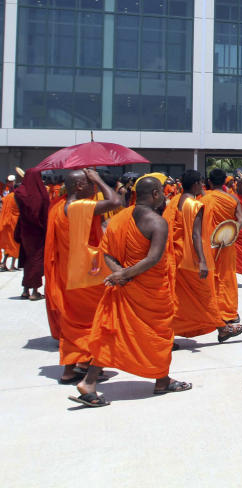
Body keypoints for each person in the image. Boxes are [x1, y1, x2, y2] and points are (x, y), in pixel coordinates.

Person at [69, 177, 191, 407]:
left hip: (125, 287)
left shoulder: (119, 218)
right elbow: (153, 258)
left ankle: (92, 382)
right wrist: (124, 275)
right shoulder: (157, 222)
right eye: (162, 193)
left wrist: (120, 274)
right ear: (155, 193)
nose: (165, 196)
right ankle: (160, 380)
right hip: (147, 289)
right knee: (159, 335)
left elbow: (106, 253)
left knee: (112, 333)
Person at [45, 169, 122, 385]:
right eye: (90, 184)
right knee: (94, 320)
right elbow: (115, 201)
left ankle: (75, 367)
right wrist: (99, 179)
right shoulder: (78, 207)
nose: (94, 188)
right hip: (84, 276)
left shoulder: (59, 206)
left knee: (73, 322)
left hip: (67, 272)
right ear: (79, 186)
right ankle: (80, 366)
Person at [171, 170, 242, 344]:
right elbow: (196, 234)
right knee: (207, 293)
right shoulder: (196, 204)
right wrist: (229, 234)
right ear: (198, 183)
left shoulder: (176, 201)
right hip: (200, 254)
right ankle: (223, 326)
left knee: (179, 297)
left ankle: (171, 332)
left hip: (179, 254)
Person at [203, 169, 242, 324]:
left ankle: (209, 311)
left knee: (208, 277)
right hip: (226, 242)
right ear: (224, 182)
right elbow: (241, 220)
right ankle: (228, 312)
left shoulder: (203, 198)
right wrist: (230, 233)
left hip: (207, 243)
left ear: (210, 182)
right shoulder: (232, 199)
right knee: (227, 276)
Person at [14, 169, 49, 306]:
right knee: (37, 260)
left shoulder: (19, 193)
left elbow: (21, 209)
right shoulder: (42, 193)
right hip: (39, 231)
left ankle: (25, 290)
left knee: (28, 258)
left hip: (25, 229)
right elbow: (45, 212)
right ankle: (35, 291)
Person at [0, 183, 20, 272]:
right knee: (15, 244)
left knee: (9, 244)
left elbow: (3, 203)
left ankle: (4, 263)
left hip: (8, 222)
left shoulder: (9, 196)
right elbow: (21, 208)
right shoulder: (17, 196)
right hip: (15, 222)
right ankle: (12, 265)